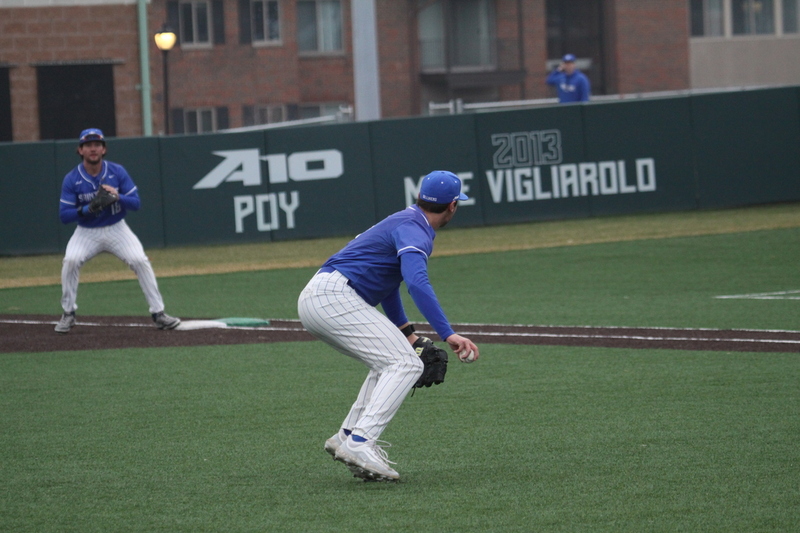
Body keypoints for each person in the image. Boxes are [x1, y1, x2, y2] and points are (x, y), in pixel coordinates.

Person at [297, 170, 480, 482]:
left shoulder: (404, 220)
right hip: (335, 297)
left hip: (320, 297)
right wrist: (447, 332)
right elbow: (416, 282)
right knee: (407, 365)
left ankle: (347, 437)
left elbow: (388, 285)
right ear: (452, 206)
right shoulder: (416, 230)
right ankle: (360, 442)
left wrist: (408, 334)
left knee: (390, 361)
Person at [55, 128, 180, 334]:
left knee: (140, 260)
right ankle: (68, 313)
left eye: (97, 144)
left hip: (117, 229)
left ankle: (159, 314)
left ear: (104, 149)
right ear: (80, 150)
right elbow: (64, 216)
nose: (93, 149)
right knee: (70, 261)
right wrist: (88, 209)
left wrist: (118, 196)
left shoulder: (117, 172)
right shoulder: (72, 178)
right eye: (88, 145)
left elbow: (136, 204)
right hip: (86, 231)